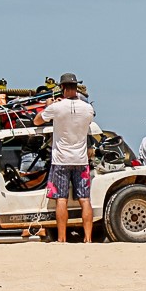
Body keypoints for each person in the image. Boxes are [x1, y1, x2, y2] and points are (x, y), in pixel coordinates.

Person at [32, 73, 96, 243]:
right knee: (85, 199)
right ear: (76, 88)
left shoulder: (57, 107)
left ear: (62, 88)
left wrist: (49, 105)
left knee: (61, 199)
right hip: (81, 160)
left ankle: (61, 238)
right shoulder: (87, 108)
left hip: (61, 159)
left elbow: (37, 121)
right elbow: (88, 121)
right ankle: (88, 238)